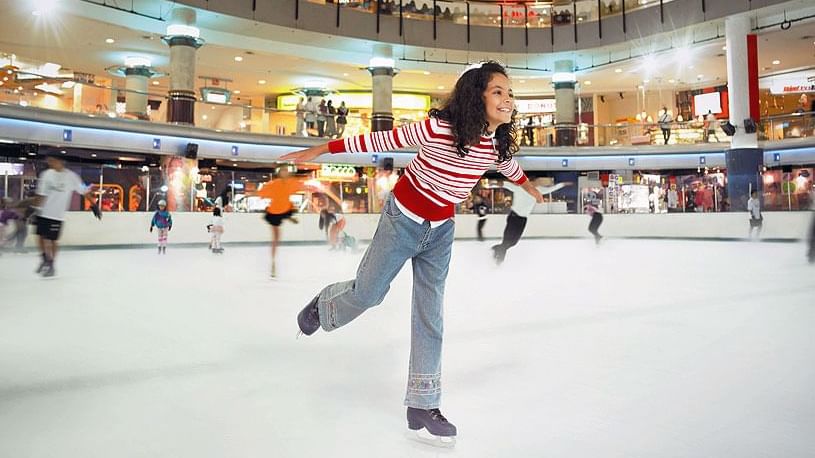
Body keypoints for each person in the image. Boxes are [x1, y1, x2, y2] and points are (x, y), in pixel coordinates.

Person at [280, 61, 543, 447]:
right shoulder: (438, 129)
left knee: (430, 314)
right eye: (498, 92)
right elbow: (377, 141)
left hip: (441, 232)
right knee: (369, 293)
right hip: (401, 219)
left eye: (510, 94)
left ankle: (423, 404)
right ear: (477, 96)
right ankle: (324, 306)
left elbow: (509, 166)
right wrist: (322, 149)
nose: (508, 100)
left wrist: (529, 186)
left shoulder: (494, 144)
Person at [31, 153, 102, 276]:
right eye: (49, 161)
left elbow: (84, 191)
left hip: (57, 215)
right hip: (43, 213)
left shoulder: (71, 177)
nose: (50, 163)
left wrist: (94, 205)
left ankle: (51, 264)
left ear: (60, 161)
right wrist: (34, 208)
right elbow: (41, 194)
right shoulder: (46, 175)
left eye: (52, 160)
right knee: (40, 237)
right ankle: (44, 259)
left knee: (53, 240)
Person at [491, 179, 570, 265]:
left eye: (537, 183)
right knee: (507, 241)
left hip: (523, 219)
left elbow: (551, 189)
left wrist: (562, 184)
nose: (536, 184)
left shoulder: (538, 190)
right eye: (534, 182)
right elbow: (505, 184)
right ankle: (499, 260)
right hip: (514, 217)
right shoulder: (520, 188)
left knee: (513, 242)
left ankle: (496, 250)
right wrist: (494, 183)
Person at [255, 168, 304, 278]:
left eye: (286, 171)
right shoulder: (274, 184)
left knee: (277, 235)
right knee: (276, 238)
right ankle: (273, 262)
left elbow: (300, 185)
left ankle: (288, 216)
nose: (285, 173)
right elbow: (262, 193)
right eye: (283, 171)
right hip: (275, 212)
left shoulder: (290, 182)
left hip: (285, 209)